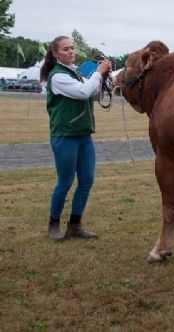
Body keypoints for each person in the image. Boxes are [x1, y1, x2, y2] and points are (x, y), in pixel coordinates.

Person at [40, 36, 111, 241]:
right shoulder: (58, 76)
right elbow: (83, 92)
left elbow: (93, 92)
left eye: (72, 48)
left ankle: (75, 225)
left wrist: (102, 77)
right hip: (64, 136)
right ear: (55, 54)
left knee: (87, 180)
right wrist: (98, 73)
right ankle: (53, 224)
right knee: (65, 181)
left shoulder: (76, 72)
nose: (71, 51)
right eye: (65, 49)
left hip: (83, 135)